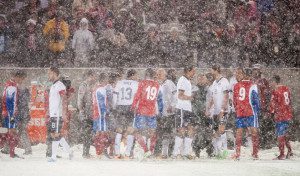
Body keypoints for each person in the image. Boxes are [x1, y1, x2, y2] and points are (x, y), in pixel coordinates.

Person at [131, 68, 163, 158]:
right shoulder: (157, 85)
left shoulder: (142, 83)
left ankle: (145, 150)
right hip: (151, 111)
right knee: (152, 132)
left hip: (141, 110)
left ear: (146, 75)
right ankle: (151, 151)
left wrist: (133, 106)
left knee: (137, 132)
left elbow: (137, 95)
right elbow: (158, 99)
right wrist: (159, 111)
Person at [232, 68, 260, 160]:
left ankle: (237, 154)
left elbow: (235, 100)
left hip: (240, 112)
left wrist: (237, 109)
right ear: (250, 75)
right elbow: (256, 100)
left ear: (244, 74)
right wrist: (257, 111)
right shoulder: (253, 85)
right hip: (250, 111)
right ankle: (255, 154)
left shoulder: (236, 85)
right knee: (254, 132)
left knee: (239, 133)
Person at [47, 67, 73, 162]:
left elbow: (64, 99)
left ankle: (53, 157)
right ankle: (70, 152)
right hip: (53, 114)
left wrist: (64, 112)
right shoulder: (53, 85)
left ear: (54, 73)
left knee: (55, 134)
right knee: (55, 134)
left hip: (57, 114)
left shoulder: (59, 85)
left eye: (49, 73)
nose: (48, 75)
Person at [113, 69, 139, 159]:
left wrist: (114, 106)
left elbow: (115, 95)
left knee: (119, 130)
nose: (137, 77)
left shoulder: (120, 83)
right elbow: (137, 97)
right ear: (132, 76)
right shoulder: (136, 84)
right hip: (130, 107)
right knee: (130, 130)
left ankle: (117, 153)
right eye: (136, 75)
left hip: (120, 107)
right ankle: (128, 154)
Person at [172, 65, 196, 159]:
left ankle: (186, 153)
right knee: (181, 130)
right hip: (182, 108)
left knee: (190, 129)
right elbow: (180, 95)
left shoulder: (187, 80)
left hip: (188, 109)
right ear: (188, 71)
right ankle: (176, 153)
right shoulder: (182, 80)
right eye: (193, 71)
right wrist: (190, 97)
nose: (194, 73)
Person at [2, 70, 27, 158]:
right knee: (11, 131)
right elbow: (9, 101)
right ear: (17, 77)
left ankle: (11, 152)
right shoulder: (11, 86)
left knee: (8, 132)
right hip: (10, 113)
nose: (21, 81)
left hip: (9, 112)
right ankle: (12, 154)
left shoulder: (10, 84)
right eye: (21, 79)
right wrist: (12, 114)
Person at [206, 65, 230, 157]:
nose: (211, 72)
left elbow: (226, 96)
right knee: (216, 131)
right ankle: (217, 152)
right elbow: (212, 98)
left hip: (222, 111)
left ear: (216, 70)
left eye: (212, 70)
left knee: (221, 130)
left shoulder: (224, 81)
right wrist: (208, 109)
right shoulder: (214, 83)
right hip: (215, 111)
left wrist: (222, 109)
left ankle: (225, 151)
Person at [269, 75, 293, 160]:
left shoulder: (275, 90)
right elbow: (289, 100)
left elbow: (273, 104)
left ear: (275, 82)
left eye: (271, 82)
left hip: (280, 115)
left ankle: (282, 154)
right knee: (284, 134)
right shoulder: (286, 88)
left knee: (280, 135)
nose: (270, 84)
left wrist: (272, 113)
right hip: (287, 114)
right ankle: (290, 151)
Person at [155, 68, 177, 158]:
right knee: (160, 133)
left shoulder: (169, 83)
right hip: (160, 113)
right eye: (158, 74)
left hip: (168, 112)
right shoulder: (158, 84)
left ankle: (169, 152)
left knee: (168, 132)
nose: (159, 76)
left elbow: (175, 95)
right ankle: (159, 152)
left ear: (165, 75)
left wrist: (172, 106)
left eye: (160, 74)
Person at [252, 64, 273, 149]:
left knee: (263, 125)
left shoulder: (264, 81)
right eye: (254, 70)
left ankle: (264, 143)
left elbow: (268, 94)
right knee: (255, 126)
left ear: (260, 71)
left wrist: (268, 105)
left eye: (256, 70)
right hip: (253, 107)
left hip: (262, 107)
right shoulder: (251, 80)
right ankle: (257, 143)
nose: (255, 71)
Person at [78, 70, 96, 158]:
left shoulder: (92, 85)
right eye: (93, 76)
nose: (94, 78)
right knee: (87, 133)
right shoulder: (83, 85)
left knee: (89, 133)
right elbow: (80, 99)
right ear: (89, 76)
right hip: (86, 113)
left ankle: (87, 152)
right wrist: (82, 111)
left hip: (91, 112)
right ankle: (85, 153)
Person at [92, 73, 111, 158]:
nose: (107, 81)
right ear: (103, 80)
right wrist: (105, 113)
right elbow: (101, 103)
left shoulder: (95, 88)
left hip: (96, 113)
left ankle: (98, 151)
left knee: (98, 132)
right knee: (102, 132)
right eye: (106, 79)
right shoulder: (102, 89)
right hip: (100, 114)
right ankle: (102, 151)